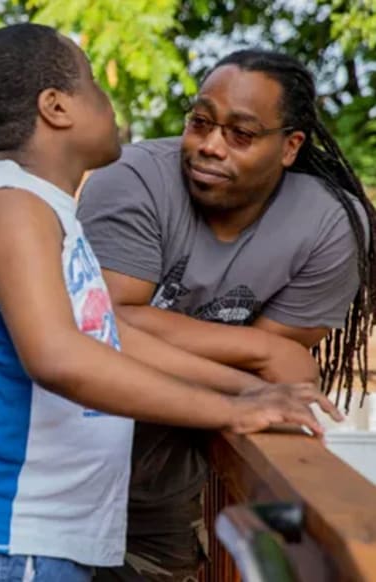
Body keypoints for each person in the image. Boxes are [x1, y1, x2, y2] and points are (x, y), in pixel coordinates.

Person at [0, 25, 343, 582]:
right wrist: (233, 412)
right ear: (56, 108)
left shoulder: (42, 209)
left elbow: (104, 337)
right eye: (96, 90)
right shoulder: (12, 210)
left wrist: (247, 387)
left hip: (27, 536)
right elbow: (60, 358)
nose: (111, 105)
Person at [77, 49, 376, 582]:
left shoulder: (331, 225)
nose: (209, 146)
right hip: (62, 468)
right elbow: (105, 328)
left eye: (240, 133)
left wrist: (259, 362)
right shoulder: (133, 179)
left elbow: (274, 378)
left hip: (163, 482)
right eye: (200, 122)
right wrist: (263, 349)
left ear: (290, 147)